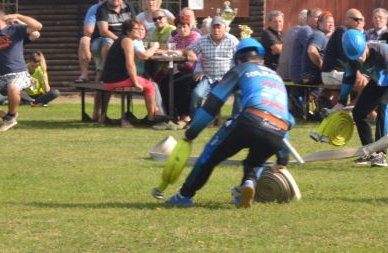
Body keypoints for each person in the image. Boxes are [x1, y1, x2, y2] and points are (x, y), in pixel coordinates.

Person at [163, 38, 294, 207]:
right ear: (261, 59)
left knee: (209, 157)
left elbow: (212, 105)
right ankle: (247, 183)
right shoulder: (276, 77)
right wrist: (283, 158)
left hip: (251, 120)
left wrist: (192, 132)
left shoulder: (240, 69)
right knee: (256, 161)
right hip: (278, 129)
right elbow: (288, 120)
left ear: (238, 59)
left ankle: (184, 196)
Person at [338, 29, 388, 168]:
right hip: (380, 79)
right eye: (355, 57)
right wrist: (341, 101)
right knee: (359, 112)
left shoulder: (383, 52)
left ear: (366, 46)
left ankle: (381, 154)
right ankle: (369, 151)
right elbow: (348, 78)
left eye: (361, 54)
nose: (359, 59)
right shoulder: (352, 57)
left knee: (384, 105)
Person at [101, 17, 169, 125]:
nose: (139, 31)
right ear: (128, 31)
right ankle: (151, 118)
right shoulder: (127, 41)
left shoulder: (122, 40)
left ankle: (153, 115)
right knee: (150, 85)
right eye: (136, 29)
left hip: (108, 79)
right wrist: (135, 82)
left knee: (149, 84)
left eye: (140, 29)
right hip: (117, 79)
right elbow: (130, 64)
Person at [189, 17, 239, 111]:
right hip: (209, 77)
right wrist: (191, 54)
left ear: (224, 28)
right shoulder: (203, 40)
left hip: (227, 78)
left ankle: (235, 118)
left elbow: (240, 56)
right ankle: (195, 118)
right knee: (197, 94)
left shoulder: (232, 40)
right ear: (210, 28)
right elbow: (190, 50)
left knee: (240, 92)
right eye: (214, 27)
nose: (216, 30)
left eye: (218, 27)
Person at [92, 0, 135, 65]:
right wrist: (120, 40)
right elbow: (104, 31)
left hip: (125, 38)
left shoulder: (128, 6)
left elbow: (134, 25)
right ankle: (106, 68)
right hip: (103, 39)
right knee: (108, 43)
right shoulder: (102, 9)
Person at [77, 0, 109, 82]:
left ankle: (106, 74)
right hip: (98, 39)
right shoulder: (95, 9)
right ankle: (84, 75)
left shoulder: (121, 8)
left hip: (114, 39)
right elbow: (88, 31)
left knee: (108, 42)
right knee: (84, 40)